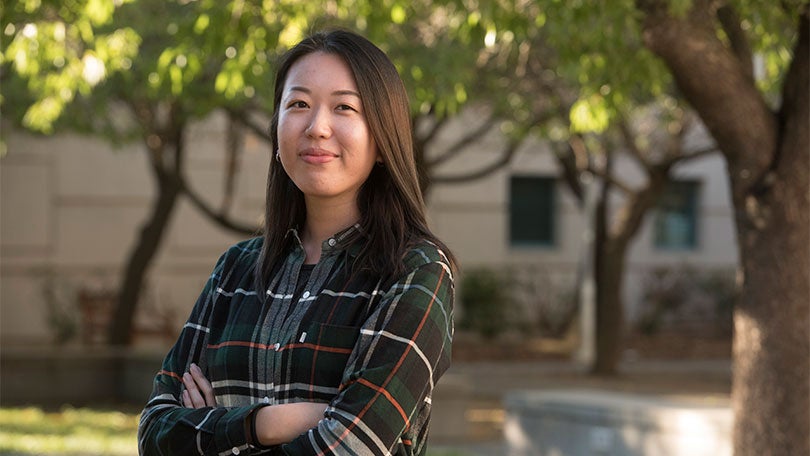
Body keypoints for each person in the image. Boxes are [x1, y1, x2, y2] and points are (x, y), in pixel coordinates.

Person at [137, 29, 456, 456]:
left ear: (382, 140)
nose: (317, 127)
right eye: (299, 105)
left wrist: (213, 431)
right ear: (276, 130)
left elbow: (353, 444)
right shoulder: (235, 270)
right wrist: (266, 424)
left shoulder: (416, 271)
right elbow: (155, 432)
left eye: (344, 107)